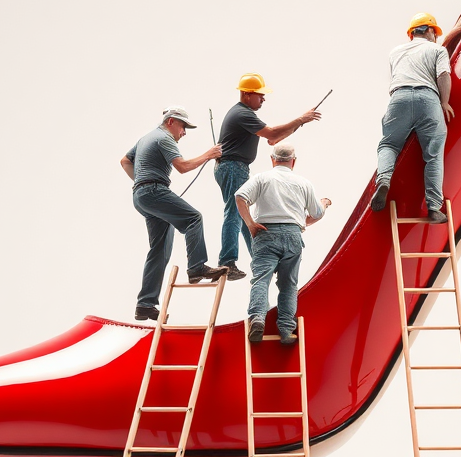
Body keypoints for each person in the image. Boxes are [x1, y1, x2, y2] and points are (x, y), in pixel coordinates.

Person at [121, 106, 228, 322]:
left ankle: (145, 305)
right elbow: (182, 166)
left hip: (141, 196)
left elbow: (125, 161)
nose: (184, 132)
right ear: (171, 122)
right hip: (153, 191)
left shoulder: (146, 138)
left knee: (159, 249)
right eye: (183, 126)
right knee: (193, 218)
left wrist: (141, 181)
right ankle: (197, 268)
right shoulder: (164, 138)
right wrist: (210, 154)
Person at [215, 73, 322, 281]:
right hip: (233, 167)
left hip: (234, 167)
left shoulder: (244, 114)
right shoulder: (243, 114)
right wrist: (301, 119)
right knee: (235, 210)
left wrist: (299, 124)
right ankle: (227, 261)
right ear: (247, 95)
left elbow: (273, 138)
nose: (263, 99)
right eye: (260, 95)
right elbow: (273, 135)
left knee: (246, 215)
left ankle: (258, 256)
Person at [370, 11, 461, 223]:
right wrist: (444, 102)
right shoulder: (437, 50)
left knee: (388, 144)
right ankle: (434, 208)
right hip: (428, 99)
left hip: (399, 98)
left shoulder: (395, 52)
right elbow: (443, 75)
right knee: (433, 155)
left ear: (411, 34)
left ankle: (384, 181)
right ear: (430, 32)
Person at [235, 143, 330, 344]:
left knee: (261, 279)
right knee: (288, 284)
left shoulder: (262, 178)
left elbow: (240, 196)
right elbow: (317, 214)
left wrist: (250, 224)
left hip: (265, 234)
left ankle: (258, 320)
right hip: (293, 235)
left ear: (272, 159)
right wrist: (324, 203)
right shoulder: (303, 183)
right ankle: (286, 330)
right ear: (293, 161)